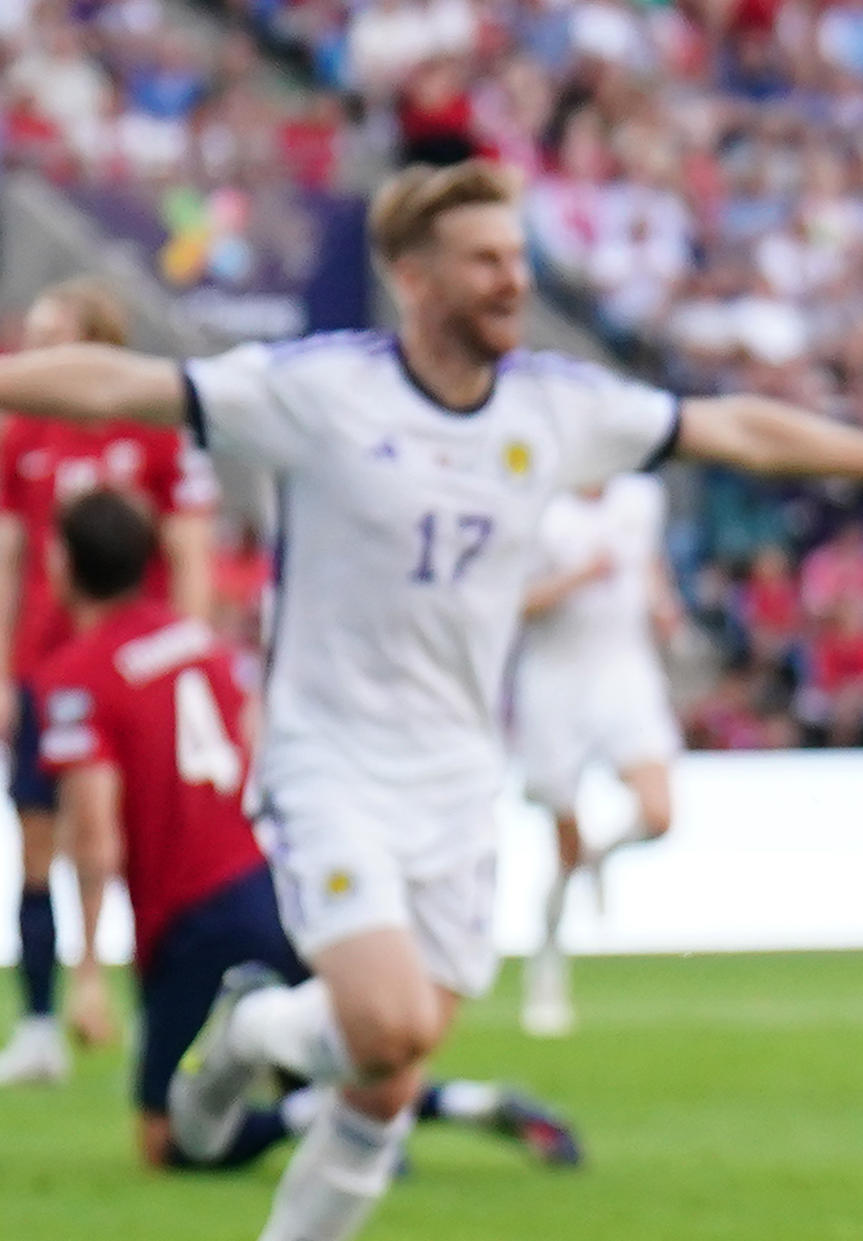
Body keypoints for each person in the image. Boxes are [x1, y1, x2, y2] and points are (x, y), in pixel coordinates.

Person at [0, 157, 863, 1241]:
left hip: (454, 780)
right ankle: (257, 1040)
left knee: (389, 1066)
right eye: (486, 259)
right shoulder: (318, 391)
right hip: (328, 763)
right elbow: (122, 382)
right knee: (383, 1025)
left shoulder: (554, 408)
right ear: (415, 273)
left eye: (519, 256)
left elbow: (729, 426)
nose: (512, 278)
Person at [31, 485, 578, 1177]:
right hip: (275, 879)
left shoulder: (76, 678)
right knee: (331, 1056)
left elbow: (93, 833)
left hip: (195, 911)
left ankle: (327, 1117)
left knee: (169, 1141)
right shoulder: (201, 643)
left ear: (65, 564)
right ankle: (466, 1103)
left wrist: (83, 971)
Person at [0, 279, 209, 1089]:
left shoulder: (153, 429)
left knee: (133, 843)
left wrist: (188, 651)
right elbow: (5, 558)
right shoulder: (21, 433)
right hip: (47, 667)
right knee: (38, 842)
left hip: (133, 674)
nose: (31, 348)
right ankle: (39, 1024)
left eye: (48, 333)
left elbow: (188, 549)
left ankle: (156, 1013)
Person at [505, 466, 681, 1038]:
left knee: (659, 814)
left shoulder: (639, 499)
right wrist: (580, 577)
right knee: (561, 841)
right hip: (555, 679)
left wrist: (661, 604)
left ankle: (601, 858)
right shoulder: (537, 509)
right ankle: (547, 968)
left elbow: (647, 566)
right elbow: (511, 604)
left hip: (624, 670)